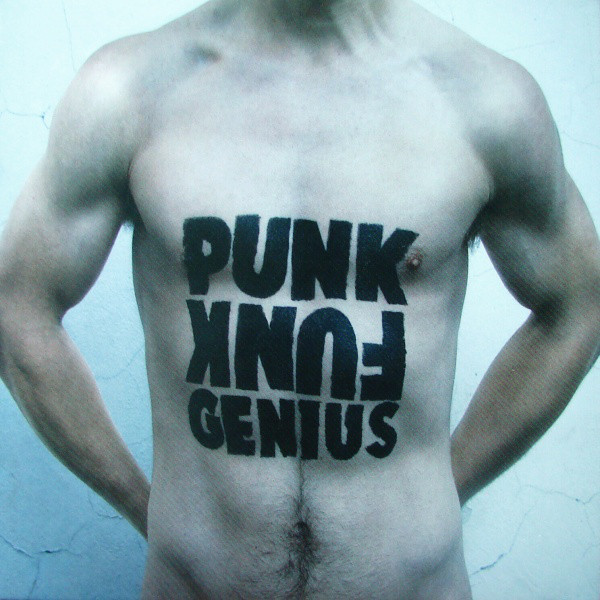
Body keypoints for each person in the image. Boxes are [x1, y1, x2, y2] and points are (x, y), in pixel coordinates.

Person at [0, 0, 598, 597]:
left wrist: (449, 486)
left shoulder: (486, 100)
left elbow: (581, 305)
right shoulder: (128, 90)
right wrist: (144, 508)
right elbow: (16, 306)